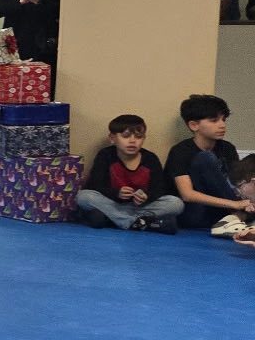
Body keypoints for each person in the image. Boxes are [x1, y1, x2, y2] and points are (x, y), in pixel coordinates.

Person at [76, 114, 182, 234]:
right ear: (112, 138)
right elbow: (95, 184)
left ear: (144, 138)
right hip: (113, 204)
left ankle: (116, 219)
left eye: (138, 137)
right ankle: (139, 222)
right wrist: (117, 193)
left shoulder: (150, 158)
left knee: (176, 203)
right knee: (83, 196)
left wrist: (146, 196)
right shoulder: (105, 155)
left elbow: (159, 188)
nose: (132, 141)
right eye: (125, 136)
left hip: (141, 207)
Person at [166, 93, 249, 236]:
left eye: (223, 120)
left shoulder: (227, 148)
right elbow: (187, 195)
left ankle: (235, 218)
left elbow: (234, 185)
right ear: (194, 125)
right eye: (214, 120)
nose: (222, 125)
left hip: (222, 210)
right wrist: (235, 205)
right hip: (195, 212)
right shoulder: (180, 151)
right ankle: (238, 216)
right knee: (205, 158)